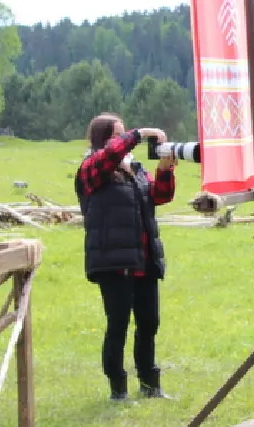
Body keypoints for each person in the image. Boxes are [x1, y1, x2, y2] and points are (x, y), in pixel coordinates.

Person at [74, 113, 177, 402]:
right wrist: (141, 132)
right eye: (117, 135)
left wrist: (165, 169)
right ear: (103, 140)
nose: (124, 141)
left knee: (149, 322)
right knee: (117, 323)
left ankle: (150, 384)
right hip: (113, 261)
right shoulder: (91, 169)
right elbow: (110, 155)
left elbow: (160, 196)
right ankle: (118, 389)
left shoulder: (134, 169)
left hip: (143, 258)